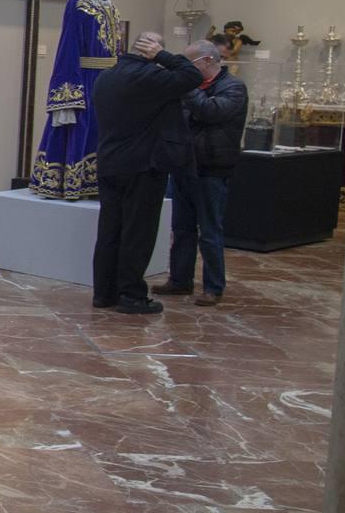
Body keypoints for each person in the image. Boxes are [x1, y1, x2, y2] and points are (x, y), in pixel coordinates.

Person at [90, 32, 206, 314]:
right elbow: (192, 75)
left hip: (109, 162)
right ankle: (131, 295)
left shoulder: (106, 77)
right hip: (142, 166)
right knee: (137, 232)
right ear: (152, 51)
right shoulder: (150, 78)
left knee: (109, 230)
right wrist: (163, 57)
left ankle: (104, 293)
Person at [156, 35, 247, 306]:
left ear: (208, 60)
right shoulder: (192, 88)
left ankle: (213, 286)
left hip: (212, 169)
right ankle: (180, 280)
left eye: (188, 62)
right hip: (184, 166)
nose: (185, 68)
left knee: (209, 230)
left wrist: (186, 88)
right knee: (181, 229)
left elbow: (210, 111)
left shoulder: (234, 88)